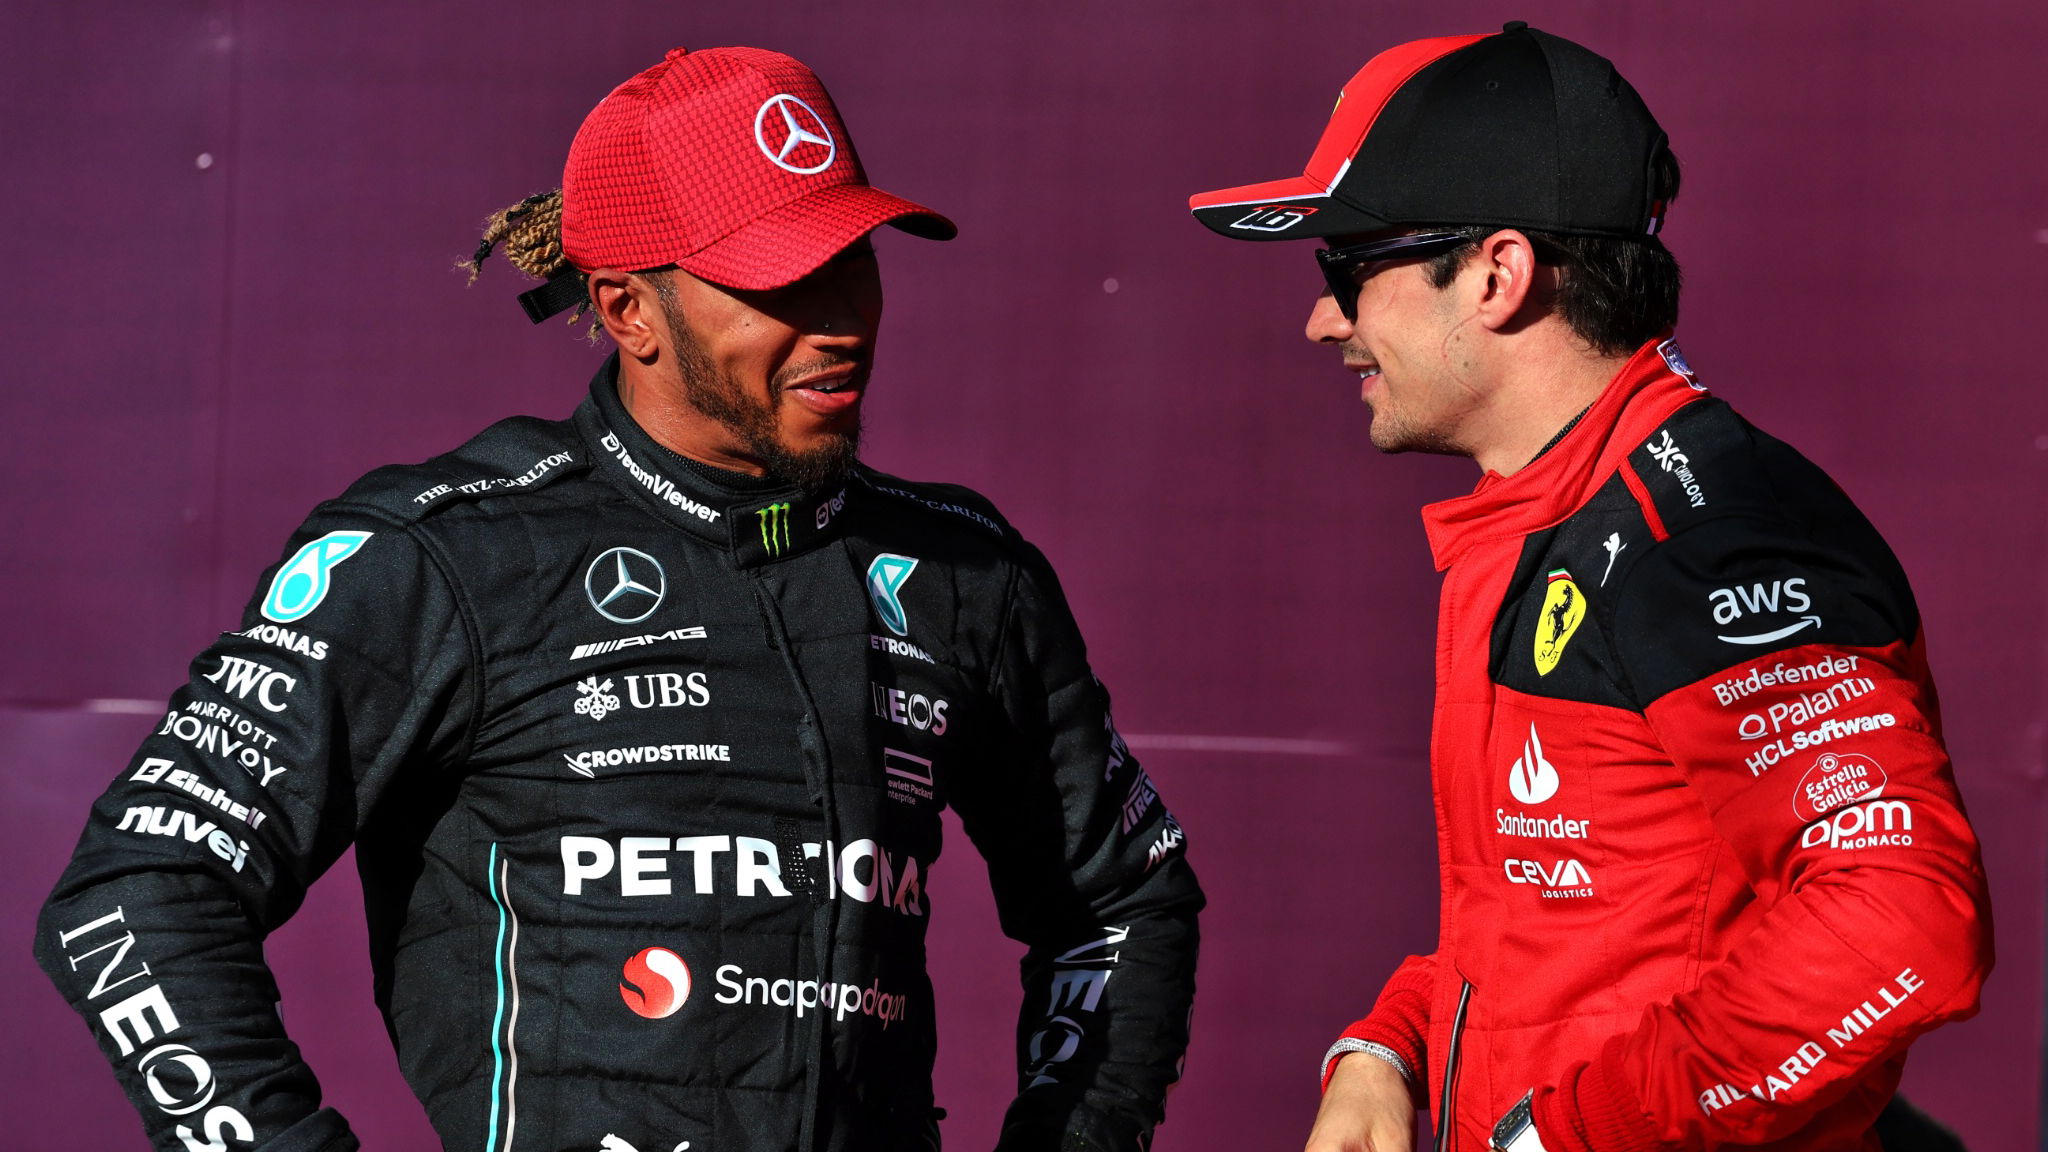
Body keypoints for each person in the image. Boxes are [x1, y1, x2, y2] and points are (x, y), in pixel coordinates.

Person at [37, 45, 1200, 1152]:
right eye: (777, 280)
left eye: (852, 257)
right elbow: (138, 894)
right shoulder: (442, 555)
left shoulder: (966, 573)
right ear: (629, 309)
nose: (838, 318)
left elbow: (1124, 902)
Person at [1189, 22, 1989, 1152]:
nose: (1323, 319)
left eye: (1344, 267)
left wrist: (1575, 1132)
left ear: (1496, 273)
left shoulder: (1705, 530)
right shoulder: (1548, 514)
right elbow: (1574, 924)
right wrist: (1388, 1050)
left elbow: (1899, 920)